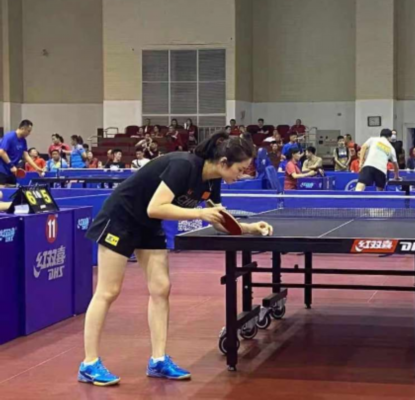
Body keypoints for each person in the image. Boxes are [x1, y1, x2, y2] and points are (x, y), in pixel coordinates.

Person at [79, 132, 273, 386]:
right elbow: (155, 207)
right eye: (240, 169)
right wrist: (199, 214)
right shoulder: (184, 166)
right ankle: (89, 364)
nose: (243, 174)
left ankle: (158, 361)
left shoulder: (212, 181)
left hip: (148, 226)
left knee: (161, 288)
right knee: (108, 291)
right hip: (120, 219)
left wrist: (249, 228)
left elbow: (219, 219)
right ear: (224, 162)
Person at [0, 120, 44, 186]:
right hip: (2, 169)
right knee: (2, 190)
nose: (29, 133)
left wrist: (36, 168)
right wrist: (11, 165)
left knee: (12, 190)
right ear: (23, 128)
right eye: (28, 131)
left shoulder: (23, 141)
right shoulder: (9, 137)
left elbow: (26, 156)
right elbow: (1, 152)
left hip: (13, 171)